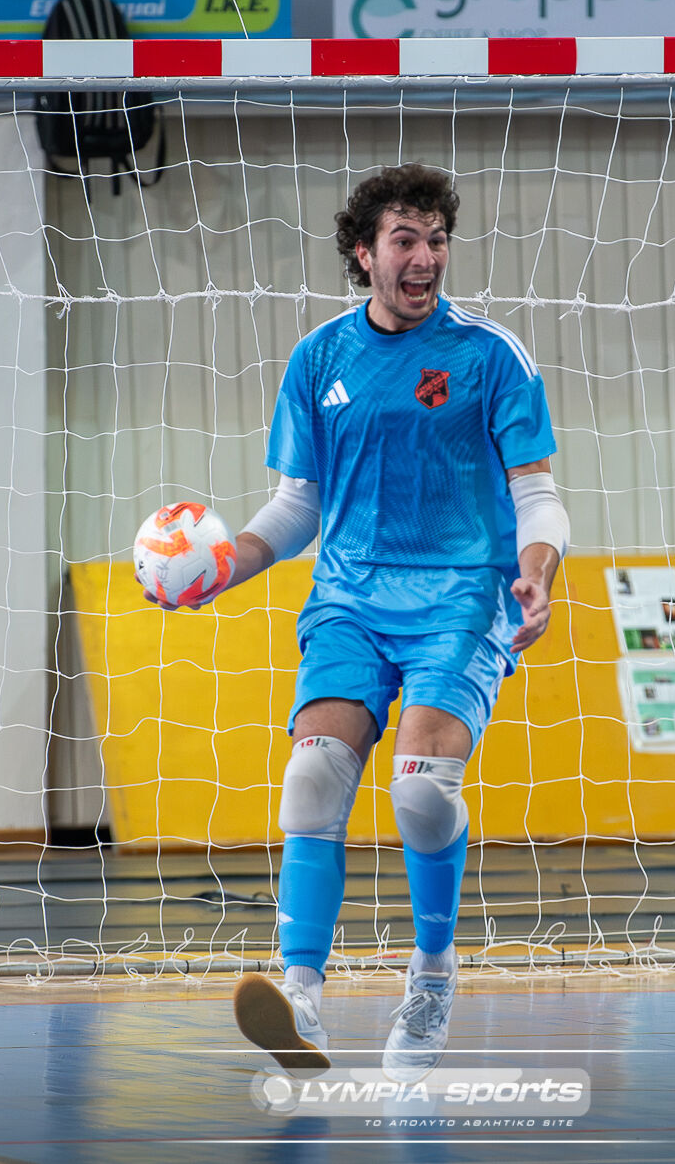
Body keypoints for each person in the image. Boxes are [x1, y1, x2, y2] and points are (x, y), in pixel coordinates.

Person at [144, 162, 568, 1083]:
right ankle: (300, 996)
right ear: (363, 253)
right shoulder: (320, 360)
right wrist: (223, 565)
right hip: (349, 599)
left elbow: (539, 498)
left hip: (461, 597)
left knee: (420, 792)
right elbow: (296, 508)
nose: (424, 259)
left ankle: (432, 974)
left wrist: (535, 572)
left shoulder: (491, 356)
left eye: (437, 240)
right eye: (405, 241)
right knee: (311, 779)